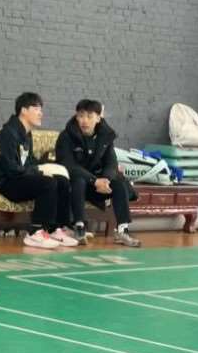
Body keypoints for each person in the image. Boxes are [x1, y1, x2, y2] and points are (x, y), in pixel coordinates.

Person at [0, 92, 76, 249]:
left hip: (19, 178)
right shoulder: (6, 135)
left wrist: (47, 166)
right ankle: (35, 232)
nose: (41, 113)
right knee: (47, 183)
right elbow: (11, 169)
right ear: (24, 110)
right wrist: (39, 172)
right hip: (6, 183)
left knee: (61, 180)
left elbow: (30, 161)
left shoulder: (26, 135)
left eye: (41, 109)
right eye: (37, 109)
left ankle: (55, 229)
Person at [55, 99, 140, 247]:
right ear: (76, 116)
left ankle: (122, 230)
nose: (84, 120)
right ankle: (79, 227)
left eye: (89, 116)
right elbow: (68, 165)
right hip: (75, 186)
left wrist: (106, 180)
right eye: (81, 116)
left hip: (98, 186)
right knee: (78, 179)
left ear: (98, 118)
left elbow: (111, 163)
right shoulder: (66, 136)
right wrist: (94, 180)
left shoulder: (105, 136)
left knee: (119, 182)